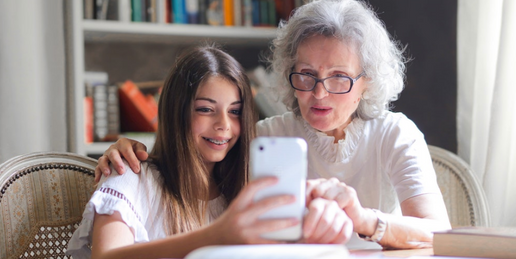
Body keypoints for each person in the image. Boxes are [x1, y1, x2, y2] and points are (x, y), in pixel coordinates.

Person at [95, 0, 451, 250]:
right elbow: (192, 166)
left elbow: (438, 232)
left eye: (339, 77)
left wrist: (363, 219)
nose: (318, 93)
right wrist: (128, 149)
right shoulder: (263, 137)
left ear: (367, 82)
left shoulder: (395, 133)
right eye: (306, 75)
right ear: (288, 72)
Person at [67, 46, 351, 259]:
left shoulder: (243, 190)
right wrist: (216, 236)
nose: (224, 126)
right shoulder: (130, 176)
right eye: (205, 109)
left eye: (235, 112)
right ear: (176, 111)